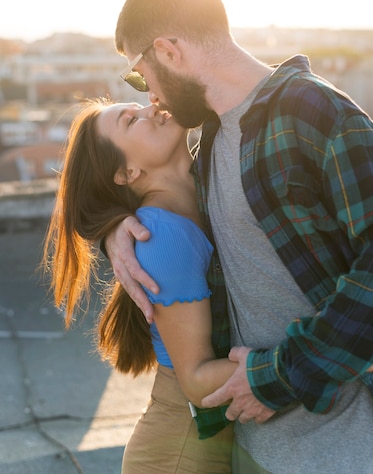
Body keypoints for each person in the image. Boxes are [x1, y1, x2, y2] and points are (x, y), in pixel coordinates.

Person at [105, 0, 373, 474]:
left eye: (141, 74)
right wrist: (113, 230)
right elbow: (164, 211)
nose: (150, 95)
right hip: (256, 446)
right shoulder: (206, 139)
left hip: (346, 449)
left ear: (168, 50)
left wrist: (281, 376)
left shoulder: (312, 109)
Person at [42, 97, 236, 474]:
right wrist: (320, 354)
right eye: (132, 121)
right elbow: (196, 381)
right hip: (179, 453)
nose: (152, 107)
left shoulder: (208, 181)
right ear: (126, 172)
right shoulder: (161, 236)